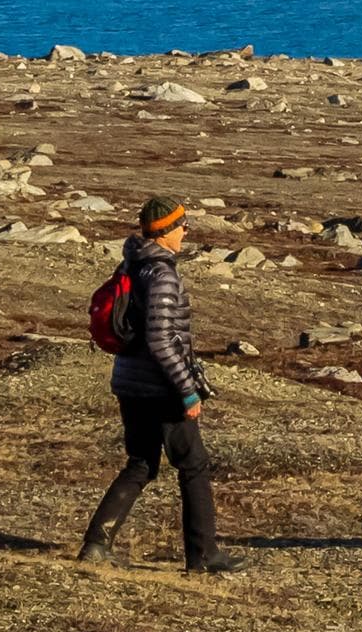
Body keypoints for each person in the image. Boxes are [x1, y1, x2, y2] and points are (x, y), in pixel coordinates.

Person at [78, 195, 240, 574]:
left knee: (141, 464)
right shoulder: (163, 274)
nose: (187, 231)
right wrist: (186, 389)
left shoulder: (131, 264)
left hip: (129, 382)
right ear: (166, 230)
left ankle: (96, 544)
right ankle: (203, 556)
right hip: (161, 388)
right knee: (194, 465)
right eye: (183, 225)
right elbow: (162, 339)